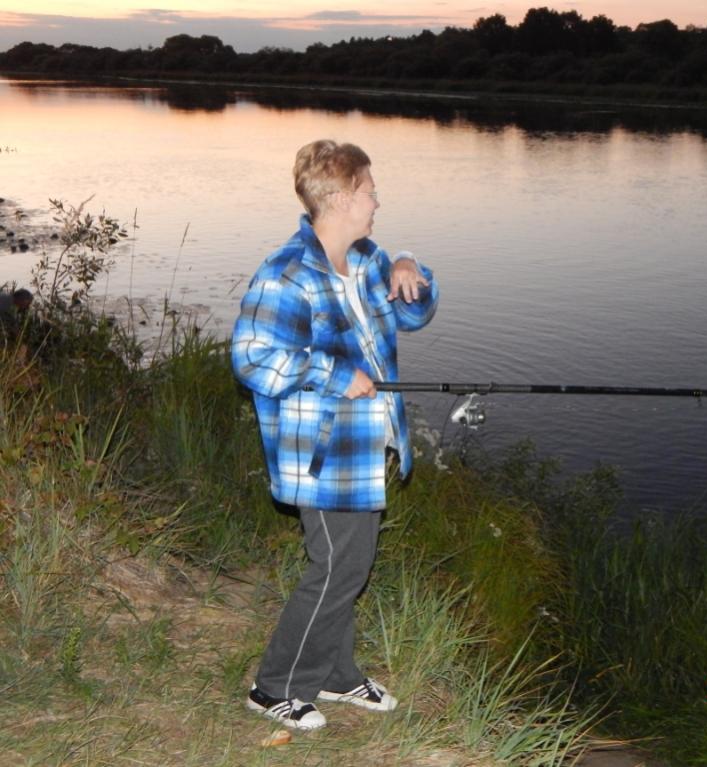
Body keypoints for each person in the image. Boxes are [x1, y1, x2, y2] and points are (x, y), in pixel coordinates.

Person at [231, 140, 438, 731]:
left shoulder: (368, 261)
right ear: (344, 197)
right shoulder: (287, 274)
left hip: (366, 447)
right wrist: (332, 374)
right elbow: (251, 358)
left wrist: (410, 268)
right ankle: (275, 687)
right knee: (337, 568)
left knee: (352, 564)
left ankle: (337, 674)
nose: (377, 201)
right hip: (320, 456)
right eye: (370, 191)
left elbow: (414, 314)